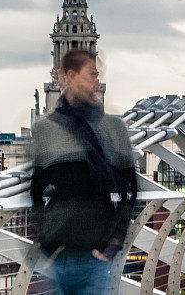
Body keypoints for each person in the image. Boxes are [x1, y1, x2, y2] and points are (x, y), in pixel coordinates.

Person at [30, 50, 137, 294]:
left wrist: (114, 242)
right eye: (91, 75)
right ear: (68, 76)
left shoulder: (113, 127)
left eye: (97, 76)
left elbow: (130, 187)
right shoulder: (46, 130)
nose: (97, 82)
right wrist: (47, 242)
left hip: (96, 259)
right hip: (57, 259)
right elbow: (36, 189)